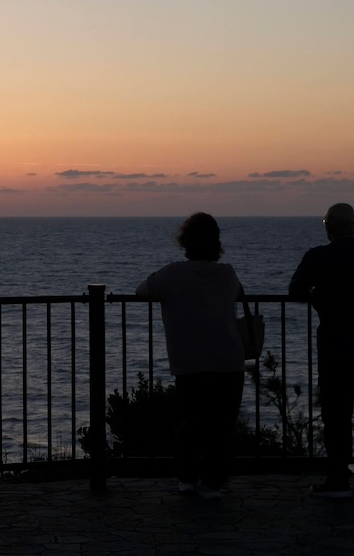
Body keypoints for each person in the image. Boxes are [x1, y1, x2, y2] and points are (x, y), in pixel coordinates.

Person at [135, 212, 245, 499]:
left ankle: (187, 479)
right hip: (229, 359)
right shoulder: (228, 273)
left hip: (190, 360)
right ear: (216, 243)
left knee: (190, 421)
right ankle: (212, 483)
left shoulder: (171, 274)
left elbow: (141, 291)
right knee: (221, 425)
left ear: (185, 242)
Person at [289, 203, 354, 499]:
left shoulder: (318, 257)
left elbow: (296, 289)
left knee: (336, 416)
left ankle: (338, 480)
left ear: (327, 227)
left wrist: (319, 297)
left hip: (335, 345)